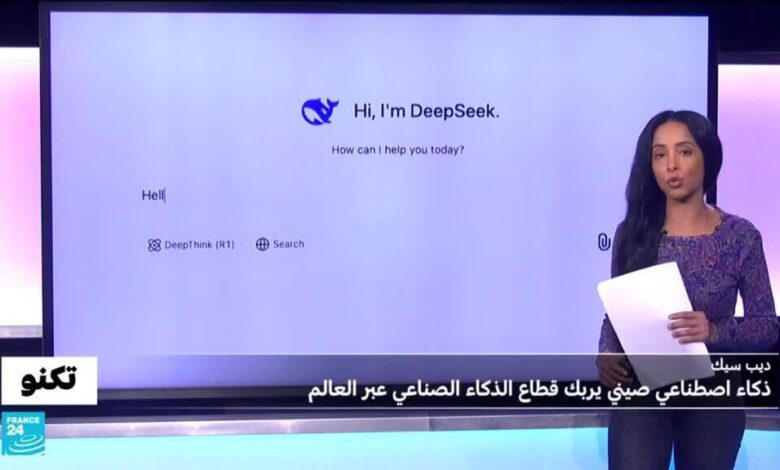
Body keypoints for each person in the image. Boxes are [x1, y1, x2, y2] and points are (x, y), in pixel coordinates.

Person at [596, 110, 779, 470]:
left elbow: (768, 326)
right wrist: (606, 352)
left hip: (713, 395)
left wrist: (714, 330)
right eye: (659, 154)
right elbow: (615, 314)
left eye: (684, 151)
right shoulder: (632, 233)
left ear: (707, 157)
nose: (671, 166)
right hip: (641, 390)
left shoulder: (740, 236)